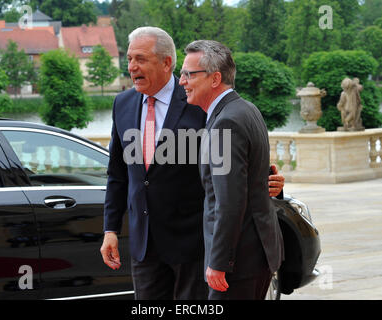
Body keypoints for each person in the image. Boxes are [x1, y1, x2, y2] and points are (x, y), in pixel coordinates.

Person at [100, 27, 284, 300]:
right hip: (145, 246)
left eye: (140, 58)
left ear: (166, 63)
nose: (131, 67)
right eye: (128, 59)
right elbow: (118, 174)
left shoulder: (201, 102)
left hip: (193, 247)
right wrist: (110, 229)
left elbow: (235, 168)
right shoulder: (122, 104)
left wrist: (270, 183)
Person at [179, 40, 284, 300]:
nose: (182, 81)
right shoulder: (247, 109)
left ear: (215, 78)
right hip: (255, 255)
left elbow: (229, 202)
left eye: (188, 74)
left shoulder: (226, 122)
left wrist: (219, 261)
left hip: (238, 262)